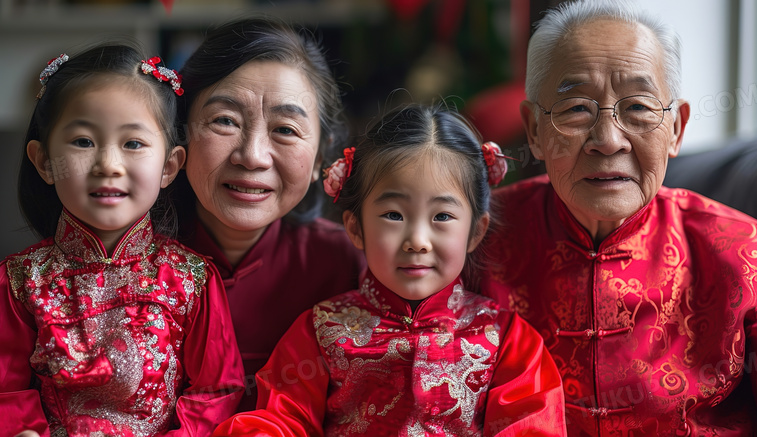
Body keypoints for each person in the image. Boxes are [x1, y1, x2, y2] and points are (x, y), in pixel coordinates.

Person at [479, 0, 757, 435]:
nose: (607, 140)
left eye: (638, 107)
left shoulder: (750, 253)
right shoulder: (475, 241)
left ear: (676, 128)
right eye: (576, 109)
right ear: (534, 132)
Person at [212, 104, 566, 436]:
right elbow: (281, 420)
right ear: (355, 228)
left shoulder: (506, 340)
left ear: (475, 230)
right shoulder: (320, 331)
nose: (417, 241)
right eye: (393, 215)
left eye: (442, 216)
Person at [0, 44, 244, 436]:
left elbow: (216, 392)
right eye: (83, 141)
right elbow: (6, 392)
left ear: (169, 167)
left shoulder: (192, 279)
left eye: (133, 143)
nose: (108, 165)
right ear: (45, 161)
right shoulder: (19, 282)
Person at [173, 17, 366, 412]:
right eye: (225, 121)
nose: (252, 156)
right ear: (180, 134)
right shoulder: (122, 266)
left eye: (286, 129)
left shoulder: (352, 266)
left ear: (321, 158)